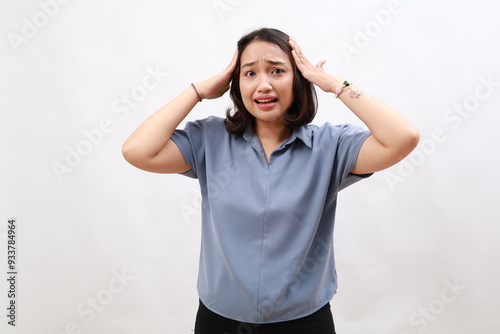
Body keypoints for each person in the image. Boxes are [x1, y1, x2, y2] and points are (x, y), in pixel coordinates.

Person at [122, 28, 419, 334]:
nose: (263, 85)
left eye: (277, 71)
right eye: (249, 73)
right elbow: (137, 151)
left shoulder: (330, 146)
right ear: (236, 83)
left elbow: (403, 137)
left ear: (298, 79)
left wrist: (332, 84)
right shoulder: (208, 140)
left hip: (304, 320)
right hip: (221, 319)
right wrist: (197, 91)